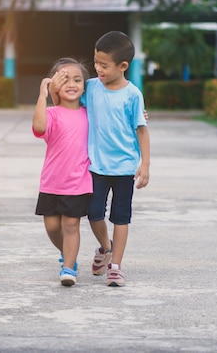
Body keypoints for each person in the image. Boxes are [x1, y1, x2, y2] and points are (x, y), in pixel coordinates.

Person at [51, 31, 150, 287]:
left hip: (125, 169)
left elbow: (141, 130)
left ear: (123, 66)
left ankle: (115, 267)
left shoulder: (132, 95)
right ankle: (105, 248)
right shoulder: (92, 87)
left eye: (103, 65)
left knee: (121, 217)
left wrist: (145, 165)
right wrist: (54, 87)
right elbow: (68, 101)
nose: (97, 69)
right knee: (94, 213)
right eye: (96, 63)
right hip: (95, 167)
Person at [32, 57, 92, 287]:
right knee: (52, 227)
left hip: (78, 181)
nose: (72, 84)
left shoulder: (89, 113)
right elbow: (38, 127)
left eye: (78, 80)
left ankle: (69, 267)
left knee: (71, 225)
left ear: (85, 86)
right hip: (51, 182)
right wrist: (42, 94)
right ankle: (68, 253)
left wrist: (139, 116)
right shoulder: (53, 113)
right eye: (65, 79)